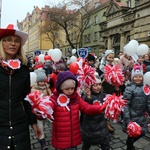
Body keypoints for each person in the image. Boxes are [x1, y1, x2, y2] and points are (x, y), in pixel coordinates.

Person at [0, 24, 41, 149]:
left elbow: (25, 98)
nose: (13, 44)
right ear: (1, 43)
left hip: (20, 126)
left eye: (16, 41)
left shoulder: (23, 70)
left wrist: (33, 123)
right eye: (8, 40)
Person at [49, 71, 103, 150]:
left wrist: (101, 108)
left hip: (74, 136)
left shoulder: (76, 97)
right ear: (60, 88)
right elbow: (46, 111)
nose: (70, 91)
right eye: (67, 89)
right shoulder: (54, 99)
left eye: (72, 88)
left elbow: (87, 108)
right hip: (61, 136)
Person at [122, 65, 150, 150]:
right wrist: (127, 119)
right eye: (136, 77)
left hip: (142, 116)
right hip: (132, 117)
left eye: (140, 77)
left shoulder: (146, 88)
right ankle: (130, 146)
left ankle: (129, 144)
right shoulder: (129, 88)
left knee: (143, 131)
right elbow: (125, 104)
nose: (138, 79)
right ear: (132, 78)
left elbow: (148, 102)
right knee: (132, 134)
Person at [81, 73, 111, 150]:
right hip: (90, 127)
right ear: (90, 86)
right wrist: (88, 97)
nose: (98, 87)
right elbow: (85, 108)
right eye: (95, 85)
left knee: (105, 144)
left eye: (99, 84)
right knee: (87, 144)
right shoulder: (85, 96)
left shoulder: (103, 95)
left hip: (102, 126)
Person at [31, 70, 51, 150]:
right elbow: (34, 99)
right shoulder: (34, 89)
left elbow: (50, 95)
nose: (42, 83)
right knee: (40, 126)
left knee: (47, 123)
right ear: (37, 82)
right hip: (38, 111)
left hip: (46, 110)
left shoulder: (47, 87)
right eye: (41, 81)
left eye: (43, 81)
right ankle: (42, 142)